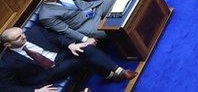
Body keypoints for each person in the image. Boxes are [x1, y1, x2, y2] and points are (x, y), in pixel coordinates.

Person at [0, 25, 136, 87]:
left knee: (84, 48)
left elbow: (57, 39)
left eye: (22, 33)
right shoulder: (5, 63)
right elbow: (8, 88)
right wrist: (35, 91)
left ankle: (118, 72)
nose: (24, 37)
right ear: (8, 45)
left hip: (59, 56)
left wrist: (71, 45)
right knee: (82, 60)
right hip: (46, 73)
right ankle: (112, 76)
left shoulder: (33, 32)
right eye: (18, 37)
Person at [36, 0, 119, 42]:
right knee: (111, 31)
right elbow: (65, 30)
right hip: (84, 24)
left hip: (94, 7)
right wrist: (86, 39)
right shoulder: (46, 16)